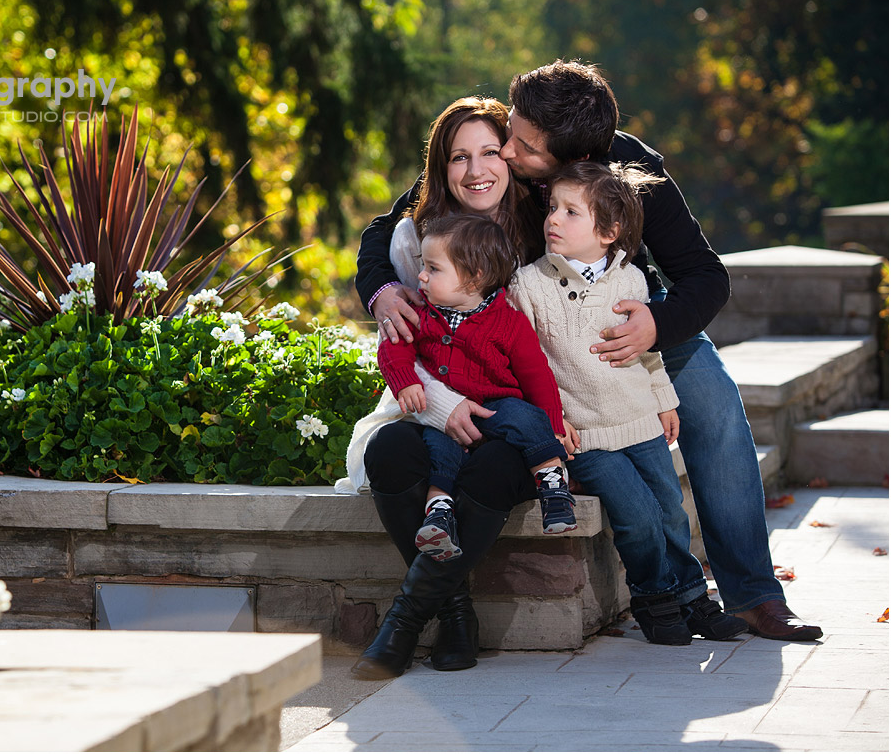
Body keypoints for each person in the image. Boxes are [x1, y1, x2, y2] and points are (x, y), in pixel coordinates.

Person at [357, 60, 822, 642]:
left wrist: (654, 324)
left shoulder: (632, 172)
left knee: (719, 408)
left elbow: (706, 277)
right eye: (512, 128)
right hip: (539, 340)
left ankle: (754, 595)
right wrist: (379, 291)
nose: (505, 147)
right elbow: (394, 223)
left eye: (522, 143)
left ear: (567, 158)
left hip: (631, 324)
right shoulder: (501, 155)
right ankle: (664, 591)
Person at [508, 161, 748, 644]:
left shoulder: (632, 282)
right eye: (552, 207)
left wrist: (664, 401)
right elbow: (525, 365)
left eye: (571, 211)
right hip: (588, 434)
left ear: (610, 229)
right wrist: (549, 423)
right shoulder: (529, 285)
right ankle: (654, 597)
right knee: (637, 517)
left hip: (640, 423)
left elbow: (648, 353)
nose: (553, 219)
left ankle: (691, 597)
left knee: (670, 511)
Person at [345, 96, 543, 679]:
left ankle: (404, 622)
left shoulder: (541, 227)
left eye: (489, 153)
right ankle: (455, 612)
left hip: (512, 407)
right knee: (391, 452)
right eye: (459, 157)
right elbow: (407, 342)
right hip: (429, 395)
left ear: (512, 157)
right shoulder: (415, 238)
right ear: (440, 166)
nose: (476, 170)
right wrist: (441, 405)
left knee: (493, 467)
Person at [376, 213, 575, 563]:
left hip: (498, 403)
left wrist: (554, 427)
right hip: (449, 415)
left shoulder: (508, 321)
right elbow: (393, 347)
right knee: (439, 446)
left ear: (474, 277)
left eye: (433, 269)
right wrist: (404, 380)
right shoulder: (422, 314)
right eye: (424, 265)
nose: (421, 275)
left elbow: (537, 376)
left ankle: (553, 486)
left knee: (527, 421)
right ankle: (439, 514)